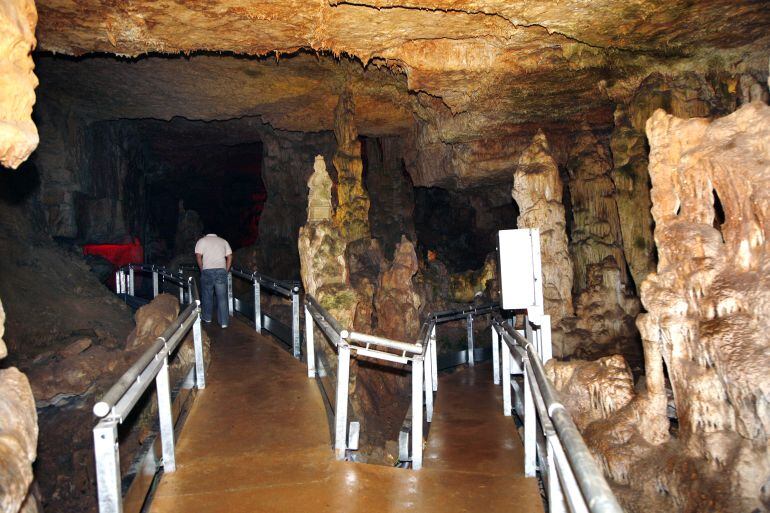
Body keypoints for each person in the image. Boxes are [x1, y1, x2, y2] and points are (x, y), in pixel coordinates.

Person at [194, 232, 233, 328]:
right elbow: (230, 257)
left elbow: (198, 256)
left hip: (207, 270)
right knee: (222, 297)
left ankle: (207, 318)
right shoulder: (223, 241)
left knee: (207, 295)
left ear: (206, 235)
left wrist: (202, 269)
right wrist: (226, 270)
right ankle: (224, 322)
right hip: (221, 270)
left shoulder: (202, 241)